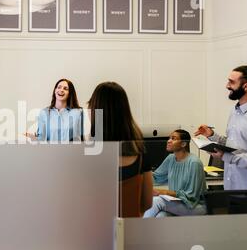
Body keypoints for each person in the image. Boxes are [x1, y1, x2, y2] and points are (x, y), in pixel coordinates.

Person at [195, 64, 247, 190]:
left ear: (246, 86)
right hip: (232, 186)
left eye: (231, 82)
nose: (227, 86)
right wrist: (211, 135)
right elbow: (235, 145)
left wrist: (225, 156)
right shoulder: (234, 111)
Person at [88, 81, 153, 217]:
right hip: (129, 233)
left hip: (94, 234)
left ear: (95, 111)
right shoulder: (140, 154)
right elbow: (147, 203)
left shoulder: (84, 156)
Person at [143, 130, 207, 218]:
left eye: (173, 138)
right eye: (169, 138)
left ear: (183, 144)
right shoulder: (170, 158)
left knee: (157, 201)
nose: (169, 141)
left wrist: (163, 192)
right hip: (178, 203)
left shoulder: (194, 162)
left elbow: (191, 196)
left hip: (195, 205)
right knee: (161, 216)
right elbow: (156, 178)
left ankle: (137, 229)